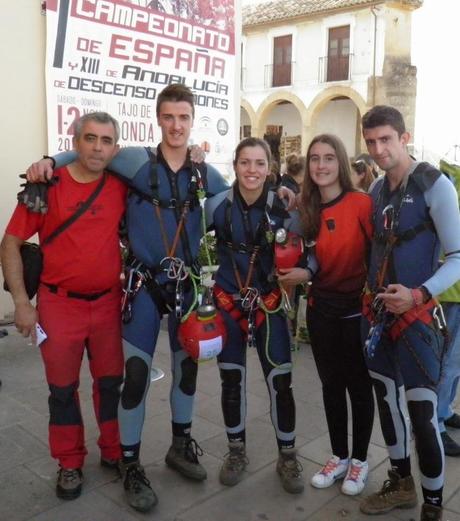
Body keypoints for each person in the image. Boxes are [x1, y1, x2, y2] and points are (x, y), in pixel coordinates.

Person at [25, 84, 295, 513]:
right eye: (168, 117)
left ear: (192, 120)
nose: (176, 125)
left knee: (187, 374)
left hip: (185, 289)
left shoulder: (207, 174)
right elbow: (86, 156)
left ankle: (180, 443)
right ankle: (131, 464)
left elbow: (249, 194)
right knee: (135, 376)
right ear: (158, 119)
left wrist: (282, 192)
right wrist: (48, 161)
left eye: (183, 117)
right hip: (143, 286)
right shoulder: (133, 160)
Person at [1, 112, 125, 500]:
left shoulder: (121, 186)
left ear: (115, 149)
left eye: (106, 141)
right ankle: (69, 462)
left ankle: (113, 450)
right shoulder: (47, 186)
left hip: (108, 306)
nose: (98, 147)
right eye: (90, 138)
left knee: (109, 385)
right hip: (59, 306)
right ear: (75, 143)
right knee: (61, 390)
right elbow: (10, 243)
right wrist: (22, 302)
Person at [359, 105, 460, 521]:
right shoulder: (377, 191)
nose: (379, 149)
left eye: (386, 139)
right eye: (371, 142)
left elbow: (457, 257)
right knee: (386, 404)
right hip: (379, 318)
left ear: (405, 136)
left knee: (423, 415)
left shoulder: (435, 186)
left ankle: (433, 506)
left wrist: (419, 295)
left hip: (417, 319)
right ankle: (401, 484)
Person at [206, 137, 304, 494]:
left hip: (270, 304)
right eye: (245, 162)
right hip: (228, 303)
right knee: (231, 381)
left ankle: (288, 455)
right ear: (234, 165)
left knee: (281, 382)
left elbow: (307, 250)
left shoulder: (284, 210)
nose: (252, 170)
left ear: (269, 167)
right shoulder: (217, 205)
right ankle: (236, 451)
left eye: (259, 163)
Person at [279, 134, 375, 497]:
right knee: (331, 386)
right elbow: (288, 244)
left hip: (356, 312)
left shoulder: (361, 204)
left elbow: (380, 257)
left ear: (342, 164)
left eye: (329, 158)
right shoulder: (304, 207)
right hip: (320, 311)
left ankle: (361, 461)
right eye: (315, 158)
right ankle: (339, 455)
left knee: (359, 388)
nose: (321, 165)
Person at [438, 281, 460, 456]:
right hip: (451, 294)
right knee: (446, 363)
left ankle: (444, 411)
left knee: (456, 363)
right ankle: (433, 422)